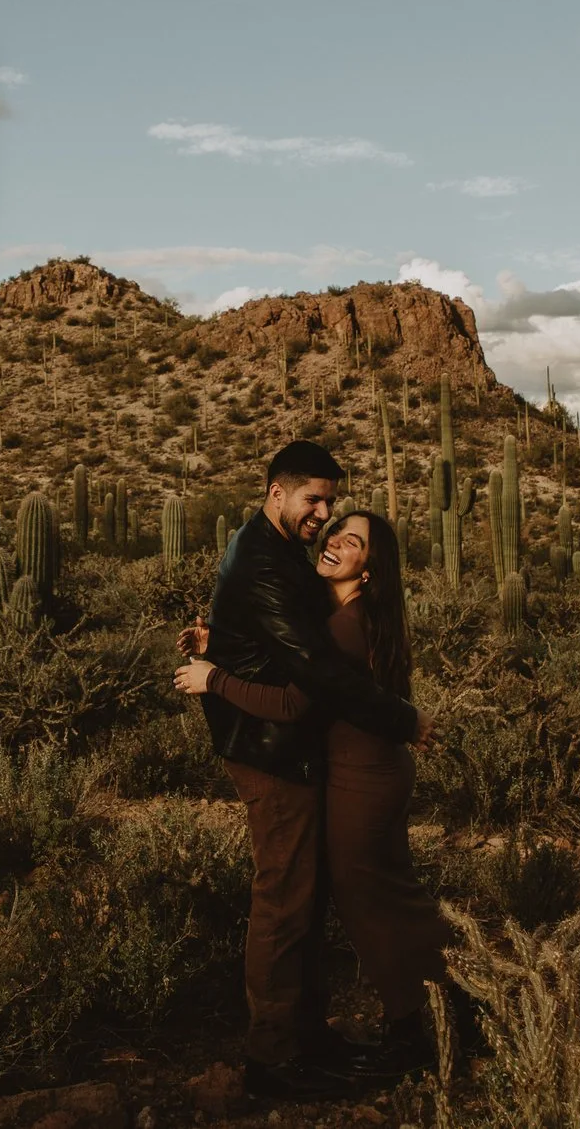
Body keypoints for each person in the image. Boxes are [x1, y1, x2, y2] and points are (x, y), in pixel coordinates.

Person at [185, 441, 429, 1101]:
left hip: (296, 747)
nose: (323, 513)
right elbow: (313, 673)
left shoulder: (268, 547)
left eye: (331, 502)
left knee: (308, 894)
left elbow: (288, 632)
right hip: (270, 749)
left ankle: (307, 1035)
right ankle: (274, 1057)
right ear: (275, 493)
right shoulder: (266, 561)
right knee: (285, 899)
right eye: (312, 500)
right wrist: (403, 719)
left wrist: (221, 644)